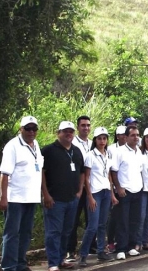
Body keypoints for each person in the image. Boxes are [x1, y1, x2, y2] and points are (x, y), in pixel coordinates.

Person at [0, 116, 43, 271]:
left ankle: (20, 263)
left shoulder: (36, 144)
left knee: (25, 233)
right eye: (28, 128)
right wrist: (3, 197)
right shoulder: (13, 146)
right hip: (15, 198)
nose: (31, 132)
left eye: (34, 129)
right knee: (12, 234)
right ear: (21, 129)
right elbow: (4, 173)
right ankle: (9, 266)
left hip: (31, 197)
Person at [41, 121, 85, 271]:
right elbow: (41, 173)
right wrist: (46, 194)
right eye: (65, 131)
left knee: (67, 231)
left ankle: (61, 259)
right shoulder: (48, 151)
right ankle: (53, 263)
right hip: (55, 200)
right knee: (54, 232)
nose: (68, 134)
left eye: (71, 131)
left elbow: (82, 172)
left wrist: (79, 192)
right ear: (58, 133)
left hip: (72, 199)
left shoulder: (77, 151)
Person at [78, 127, 117, 267]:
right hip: (95, 193)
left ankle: (101, 251)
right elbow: (86, 178)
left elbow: (109, 176)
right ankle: (83, 255)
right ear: (95, 140)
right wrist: (90, 197)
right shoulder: (90, 155)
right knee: (92, 226)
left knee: (102, 225)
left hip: (106, 191)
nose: (102, 141)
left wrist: (112, 194)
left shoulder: (108, 155)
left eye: (104, 138)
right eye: (99, 138)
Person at [110, 126, 144, 260]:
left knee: (134, 220)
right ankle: (121, 248)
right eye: (133, 135)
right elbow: (114, 171)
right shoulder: (119, 152)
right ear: (126, 137)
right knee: (122, 220)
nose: (136, 137)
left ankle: (131, 246)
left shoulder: (139, 152)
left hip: (137, 189)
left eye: (137, 135)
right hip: (124, 191)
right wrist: (118, 187)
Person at [67, 115, 94, 261]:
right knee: (73, 220)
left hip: (91, 187)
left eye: (88, 125)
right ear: (78, 127)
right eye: (83, 125)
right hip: (77, 187)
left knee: (91, 219)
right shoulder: (73, 143)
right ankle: (70, 250)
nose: (86, 128)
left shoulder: (93, 143)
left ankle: (91, 246)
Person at [106, 125, 126, 253]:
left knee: (122, 217)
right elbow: (109, 169)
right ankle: (110, 242)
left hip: (126, 187)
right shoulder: (111, 149)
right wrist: (113, 188)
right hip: (113, 187)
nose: (122, 136)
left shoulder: (131, 149)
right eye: (120, 134)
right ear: (117, 136)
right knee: (113, 217)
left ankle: (122, 241)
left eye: (124, 134)